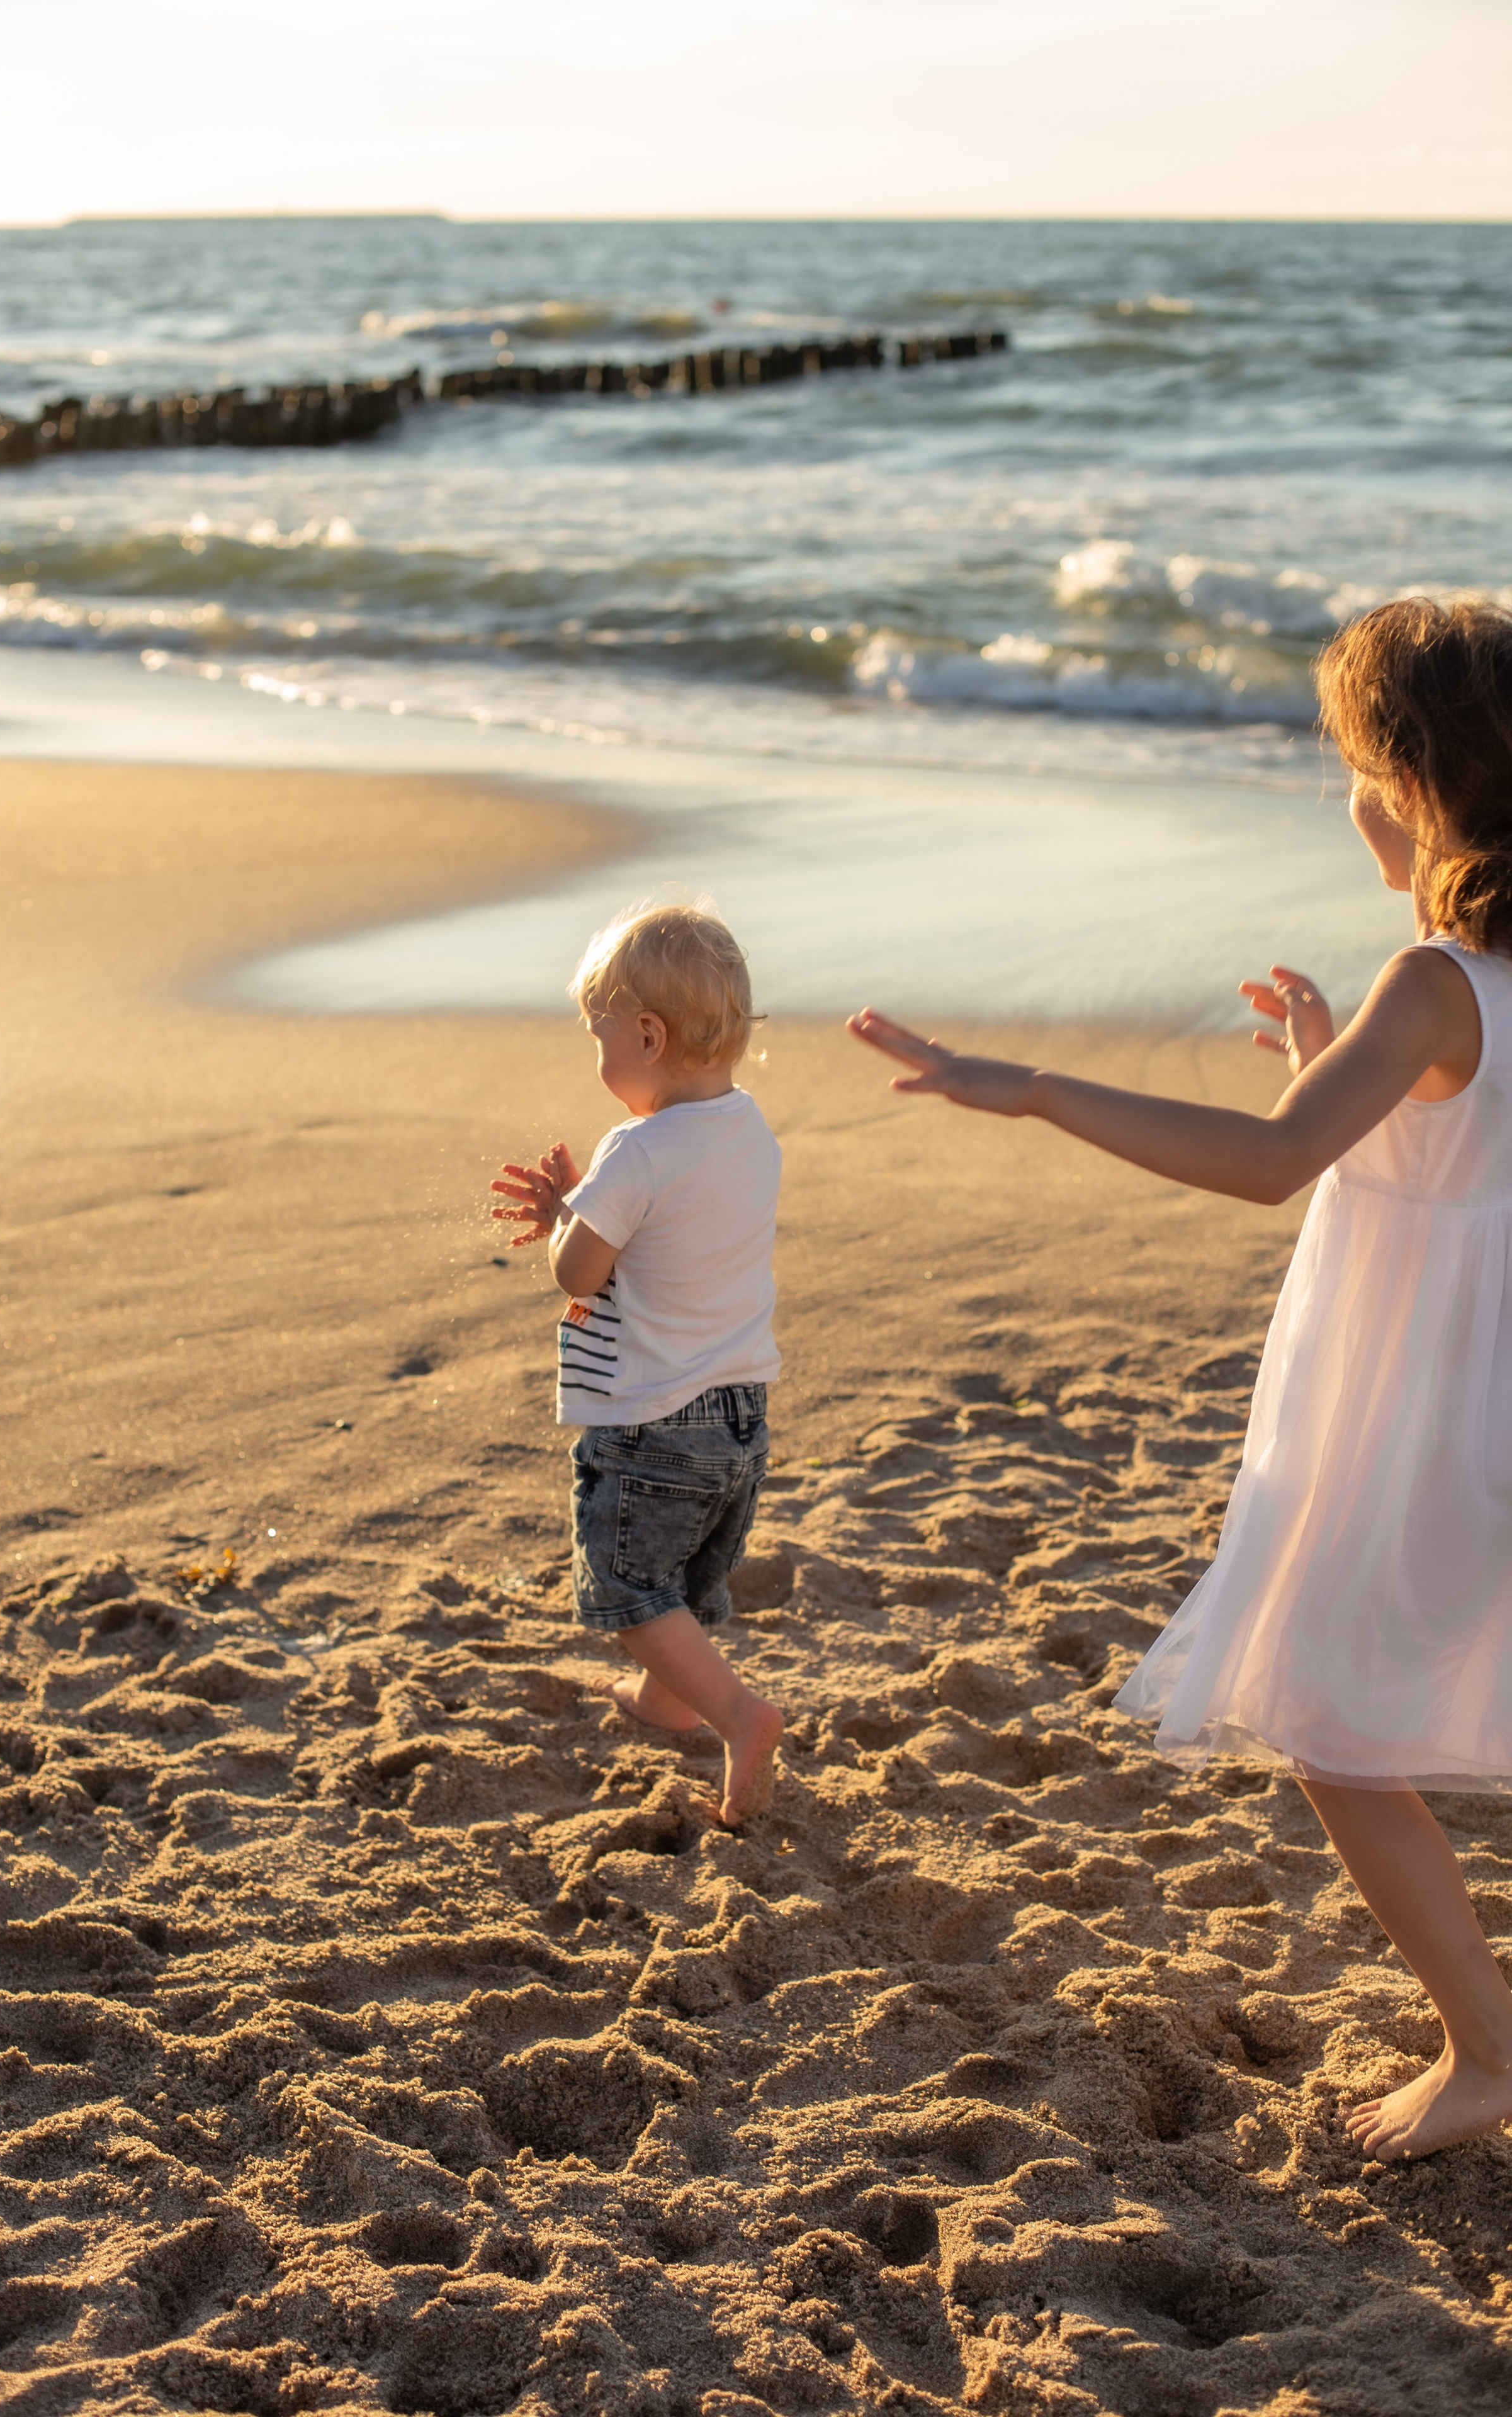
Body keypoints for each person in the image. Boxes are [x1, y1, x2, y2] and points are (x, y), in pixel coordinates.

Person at [849, 597, 1512, 2163]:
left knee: (1338, 1732)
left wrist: (1027, 1090)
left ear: (1410, 782)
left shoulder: (1431, 981)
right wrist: (1323, 1049)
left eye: (1352, 764)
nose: (1342, 793)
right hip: (1479, 1381)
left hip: (1414, 1407)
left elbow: (1279, 1165)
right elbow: (1435, 1140)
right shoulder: (1458, 984)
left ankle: (1488, 2053)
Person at [490, 903, 784, 1827]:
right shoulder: (749, 1131)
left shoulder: (638, 1149)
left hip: (653, 1419)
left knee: (628, 1591)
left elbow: (579, 1272)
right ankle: (669, 1700)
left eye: (602, 1039)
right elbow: (674, 1241)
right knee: (687, 1578)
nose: (601, 1060)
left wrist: (570, 1222)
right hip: (738, 1416)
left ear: (649, 1036)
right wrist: (589, 1204)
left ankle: (739, 1717)